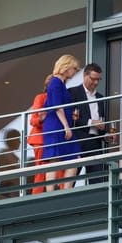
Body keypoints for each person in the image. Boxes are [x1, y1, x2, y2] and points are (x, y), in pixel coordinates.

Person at [68, 63, 114, 184]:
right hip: (78, 141)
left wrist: (106, 135)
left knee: (97, 180)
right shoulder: (73, 92)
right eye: (93, 79)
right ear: (84, 76)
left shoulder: (100, 98)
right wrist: (90, 122)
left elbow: (102, 122)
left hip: (95, 143)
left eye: (98, 79)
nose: (96, 83)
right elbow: (71, 118)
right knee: (70, 179)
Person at [41, 54, 82, 191]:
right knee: (57, 158)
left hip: (57, 123)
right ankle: (55, 193)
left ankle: (63, 191)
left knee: (70, 157)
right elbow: (57, 107)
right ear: (66, 67)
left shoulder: (58, 83)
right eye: (74, 68)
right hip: (57, 125)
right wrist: (66, 126)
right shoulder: (56, 83)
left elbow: (49, 106)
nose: (75, 71)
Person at [27, 74, 64, 194]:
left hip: (55, 139)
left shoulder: (60, 100)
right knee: (43, 170)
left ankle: (61, 195)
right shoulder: (41, 97)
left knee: (59, 171)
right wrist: (42, 119)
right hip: (41, 140)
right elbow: (33, 120)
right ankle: (37, 198)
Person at [0, 129, 21, 200]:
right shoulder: (4, 153)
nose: (20, 142)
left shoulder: (11, 155)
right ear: (12, 140)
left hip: (11, 192)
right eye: (18, 139)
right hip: (7, 192)